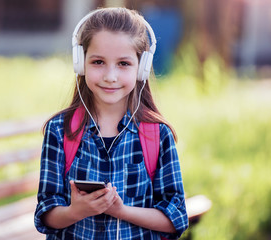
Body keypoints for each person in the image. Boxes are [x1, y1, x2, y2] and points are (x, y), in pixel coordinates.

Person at [34, 7, 188, 240]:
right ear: (80, 63)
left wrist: (121, 211)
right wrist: (76, 212)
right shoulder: (60, 130)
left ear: (142, 68)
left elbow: (176, 219)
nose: (110, 76)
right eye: (98, 62)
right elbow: (45, 215)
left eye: (123, 64)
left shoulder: (157, 134)